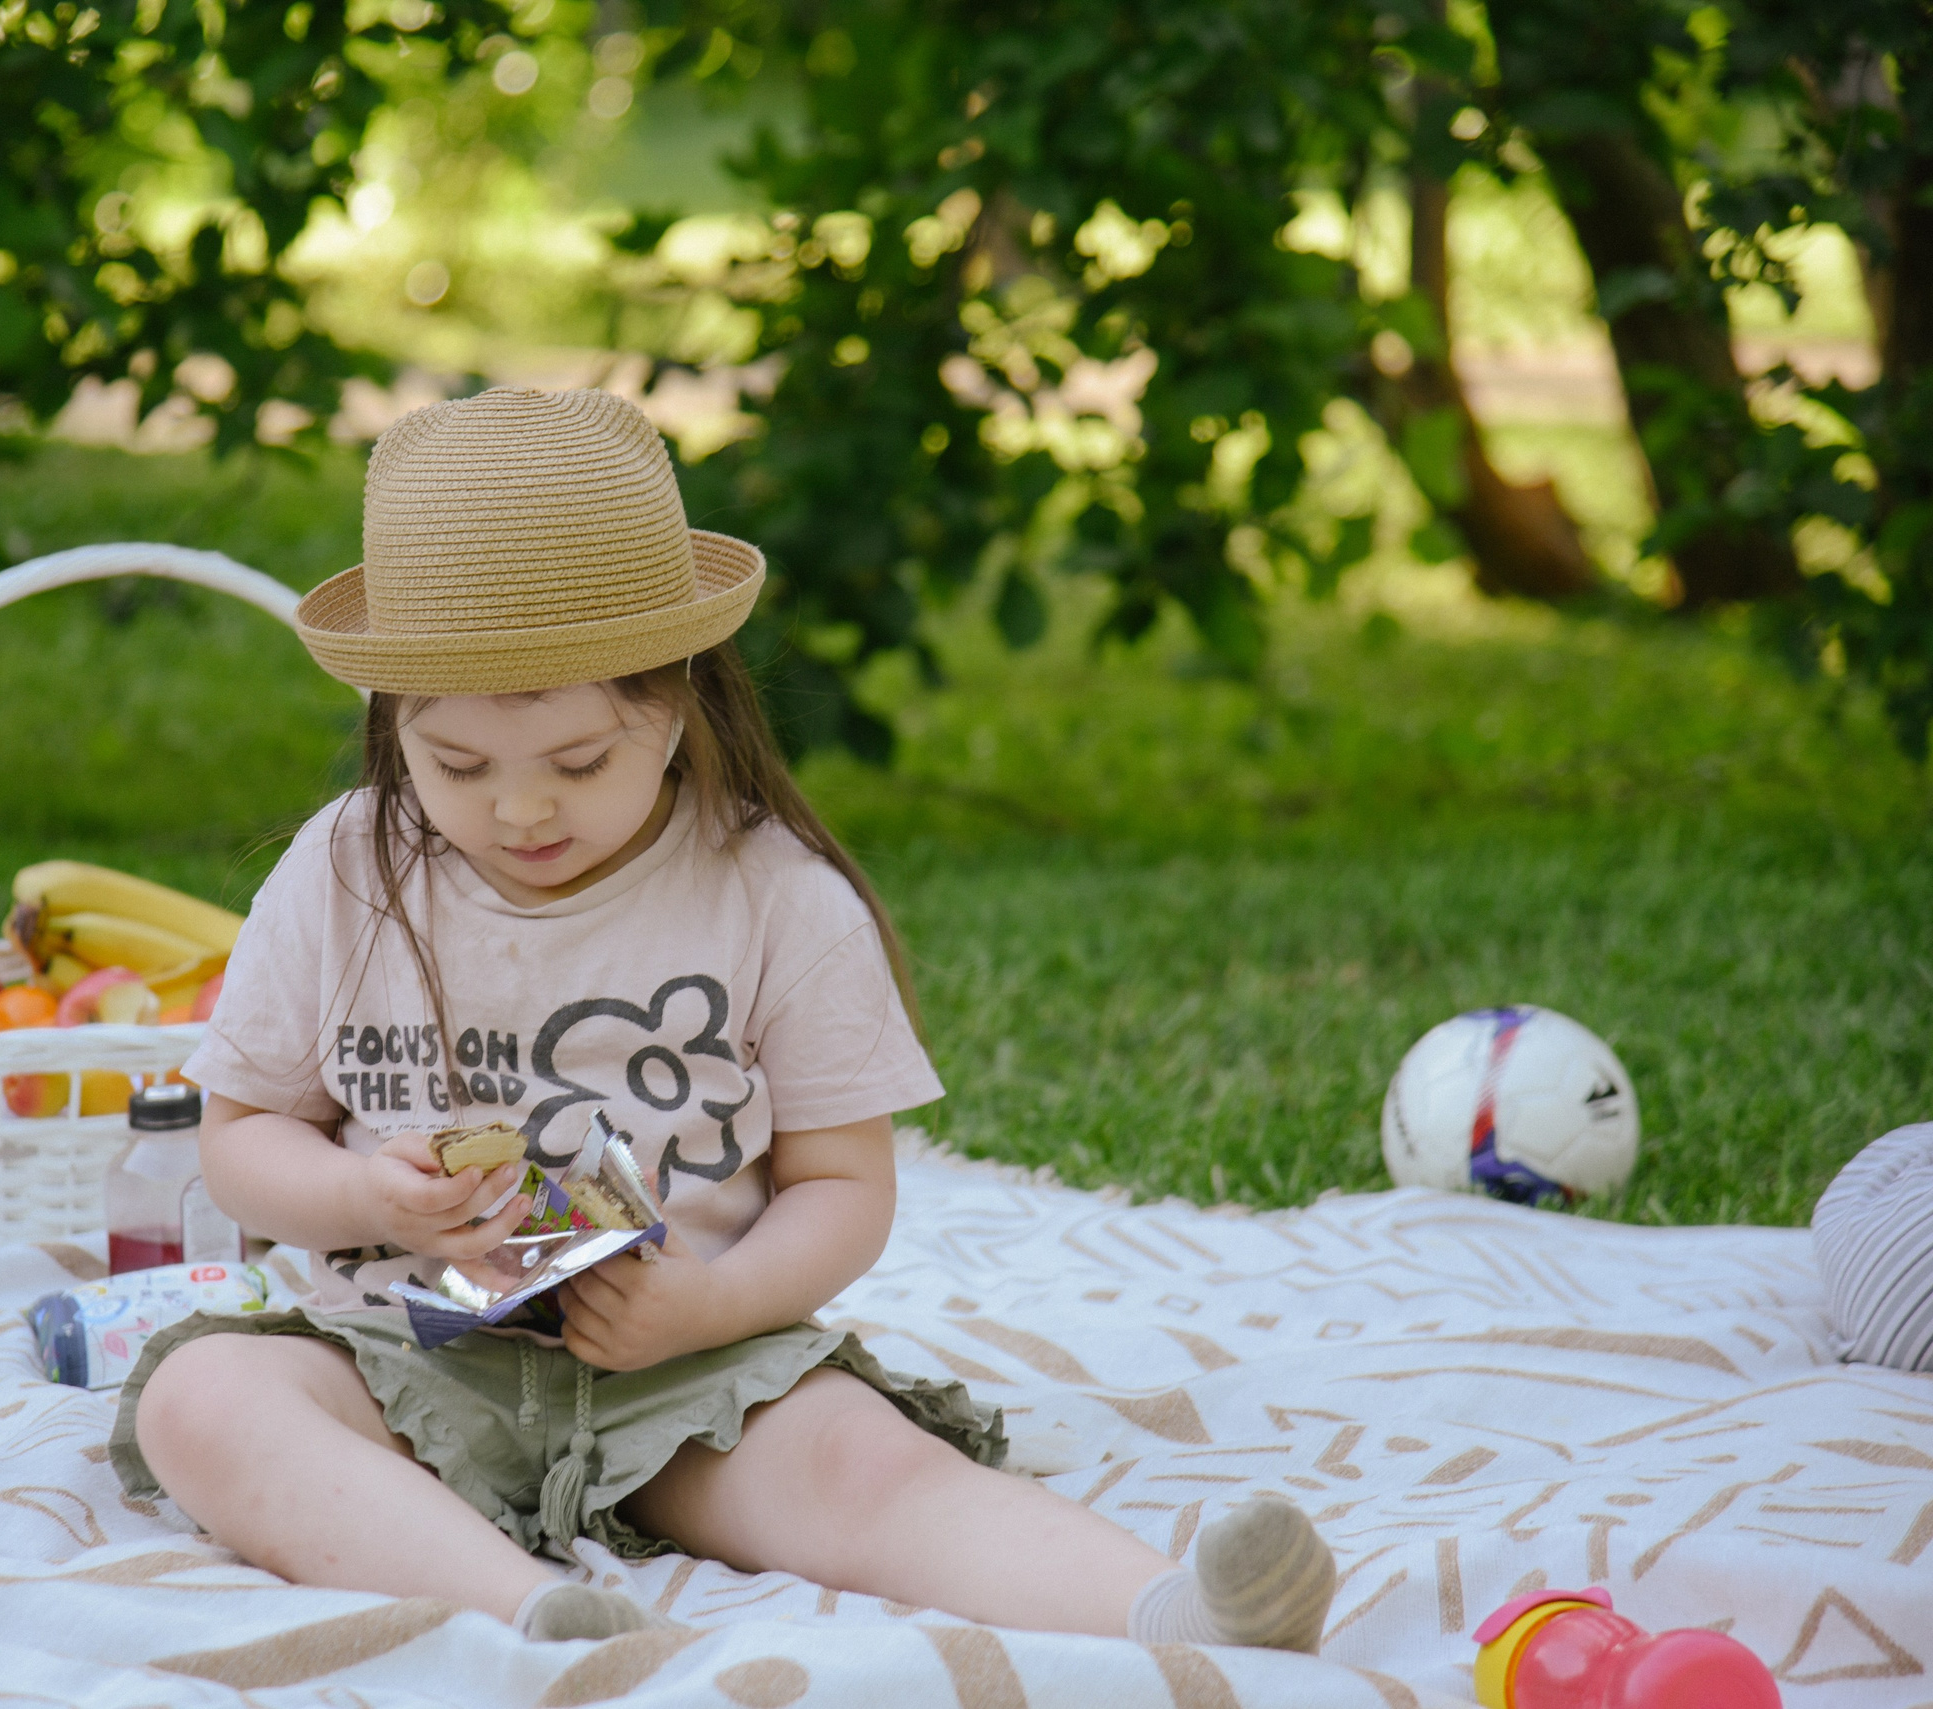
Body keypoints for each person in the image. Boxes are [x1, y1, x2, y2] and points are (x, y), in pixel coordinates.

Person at [112, 387, 1335, 1649]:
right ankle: (528, 1610)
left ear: (675, 700)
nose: (519, 811)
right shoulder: (346, 870)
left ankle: (1169, 1603)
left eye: (578, 761)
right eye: (456, 767)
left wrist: (713, 1305)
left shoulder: (772, 899)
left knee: (869, 1468)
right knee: (203, 1397)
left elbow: (845, 1186)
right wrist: (367, 1196)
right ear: (392, 726)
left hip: (691, 1371)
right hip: (400, 1359)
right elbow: (244, 1132)